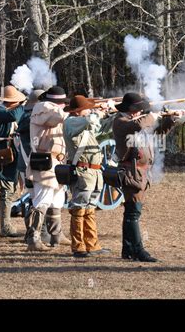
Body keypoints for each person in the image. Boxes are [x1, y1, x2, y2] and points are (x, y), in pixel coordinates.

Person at [112, 92, 184, 262]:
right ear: (132, 109)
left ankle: (128, 249)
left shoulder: (138, 121)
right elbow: (137, 126)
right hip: (131, 171)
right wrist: (152, 115)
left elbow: (157, 135)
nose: (141, 112)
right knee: (133, 212)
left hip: (141, 172)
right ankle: (138, 250)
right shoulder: (120, 122)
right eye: (139, 109)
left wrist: (171, 119)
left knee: (131, 211)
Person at [63, 96, 116, 258]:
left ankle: (92, 245)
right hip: (83, 172)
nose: (90, 110)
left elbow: (104, 128)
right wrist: (99, 111)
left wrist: (113, 114)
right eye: (87, 108)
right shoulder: (71, 122)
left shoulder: (85, 123)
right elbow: (90, 119)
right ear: (79, 111)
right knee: (79, 208)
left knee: (90, 208)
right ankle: (78, 246)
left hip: (94, 172)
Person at [25, 86, 69, 251]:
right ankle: (33, 239)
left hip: (57, 161)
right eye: (62, 102)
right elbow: (55, 117)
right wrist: (72, 110)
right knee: (42, 200)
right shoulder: (43, 108)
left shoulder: (54, 109)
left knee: (57, 200)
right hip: (44, 161)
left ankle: (56, 236)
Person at [0, 85, 26, 237]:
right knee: (7, 191)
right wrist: (24, 104)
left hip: (10, 155)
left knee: (10, 190)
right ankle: (6, 227)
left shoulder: (4, 110)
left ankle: (6, 226)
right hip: (1, 156)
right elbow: (15, 116)